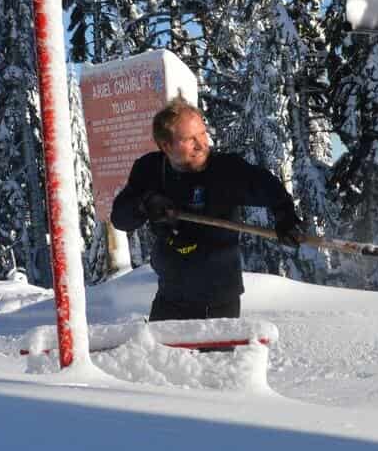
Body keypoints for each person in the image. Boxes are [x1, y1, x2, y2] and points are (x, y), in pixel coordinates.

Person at [111, 97, 304, 322]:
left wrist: (285, 217)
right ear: (166, 145)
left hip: (219, 297)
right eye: (190, 139)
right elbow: (120, 219)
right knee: (161, 356)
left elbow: (269, 188)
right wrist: (145, 204)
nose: (202, 144)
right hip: (171, 294)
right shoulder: (150, 170)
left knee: (215, 358)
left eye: (202, 134)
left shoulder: (225, 170)